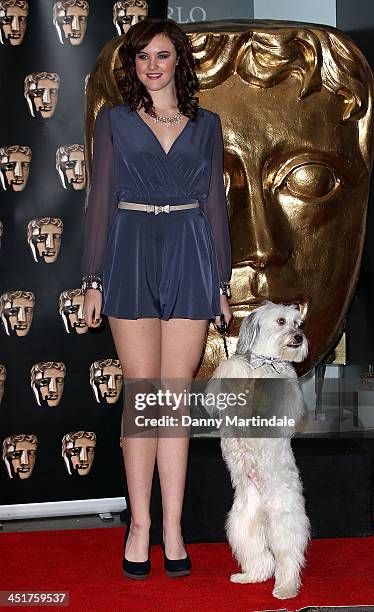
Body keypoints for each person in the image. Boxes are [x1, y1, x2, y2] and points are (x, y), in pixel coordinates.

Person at [80, 17, 233, 579]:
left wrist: (221, 283)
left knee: (175, 398)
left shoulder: (208, 125)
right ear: (133, 65)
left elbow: (215, 205)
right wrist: (92, 279)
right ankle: (138, 526)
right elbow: (100, 201)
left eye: (162, 56)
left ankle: (173, 527)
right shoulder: (115, 121)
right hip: (130, 251)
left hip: (192, 253)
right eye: (142, 56)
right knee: (143, 397)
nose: (151, 66)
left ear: (178, 62)